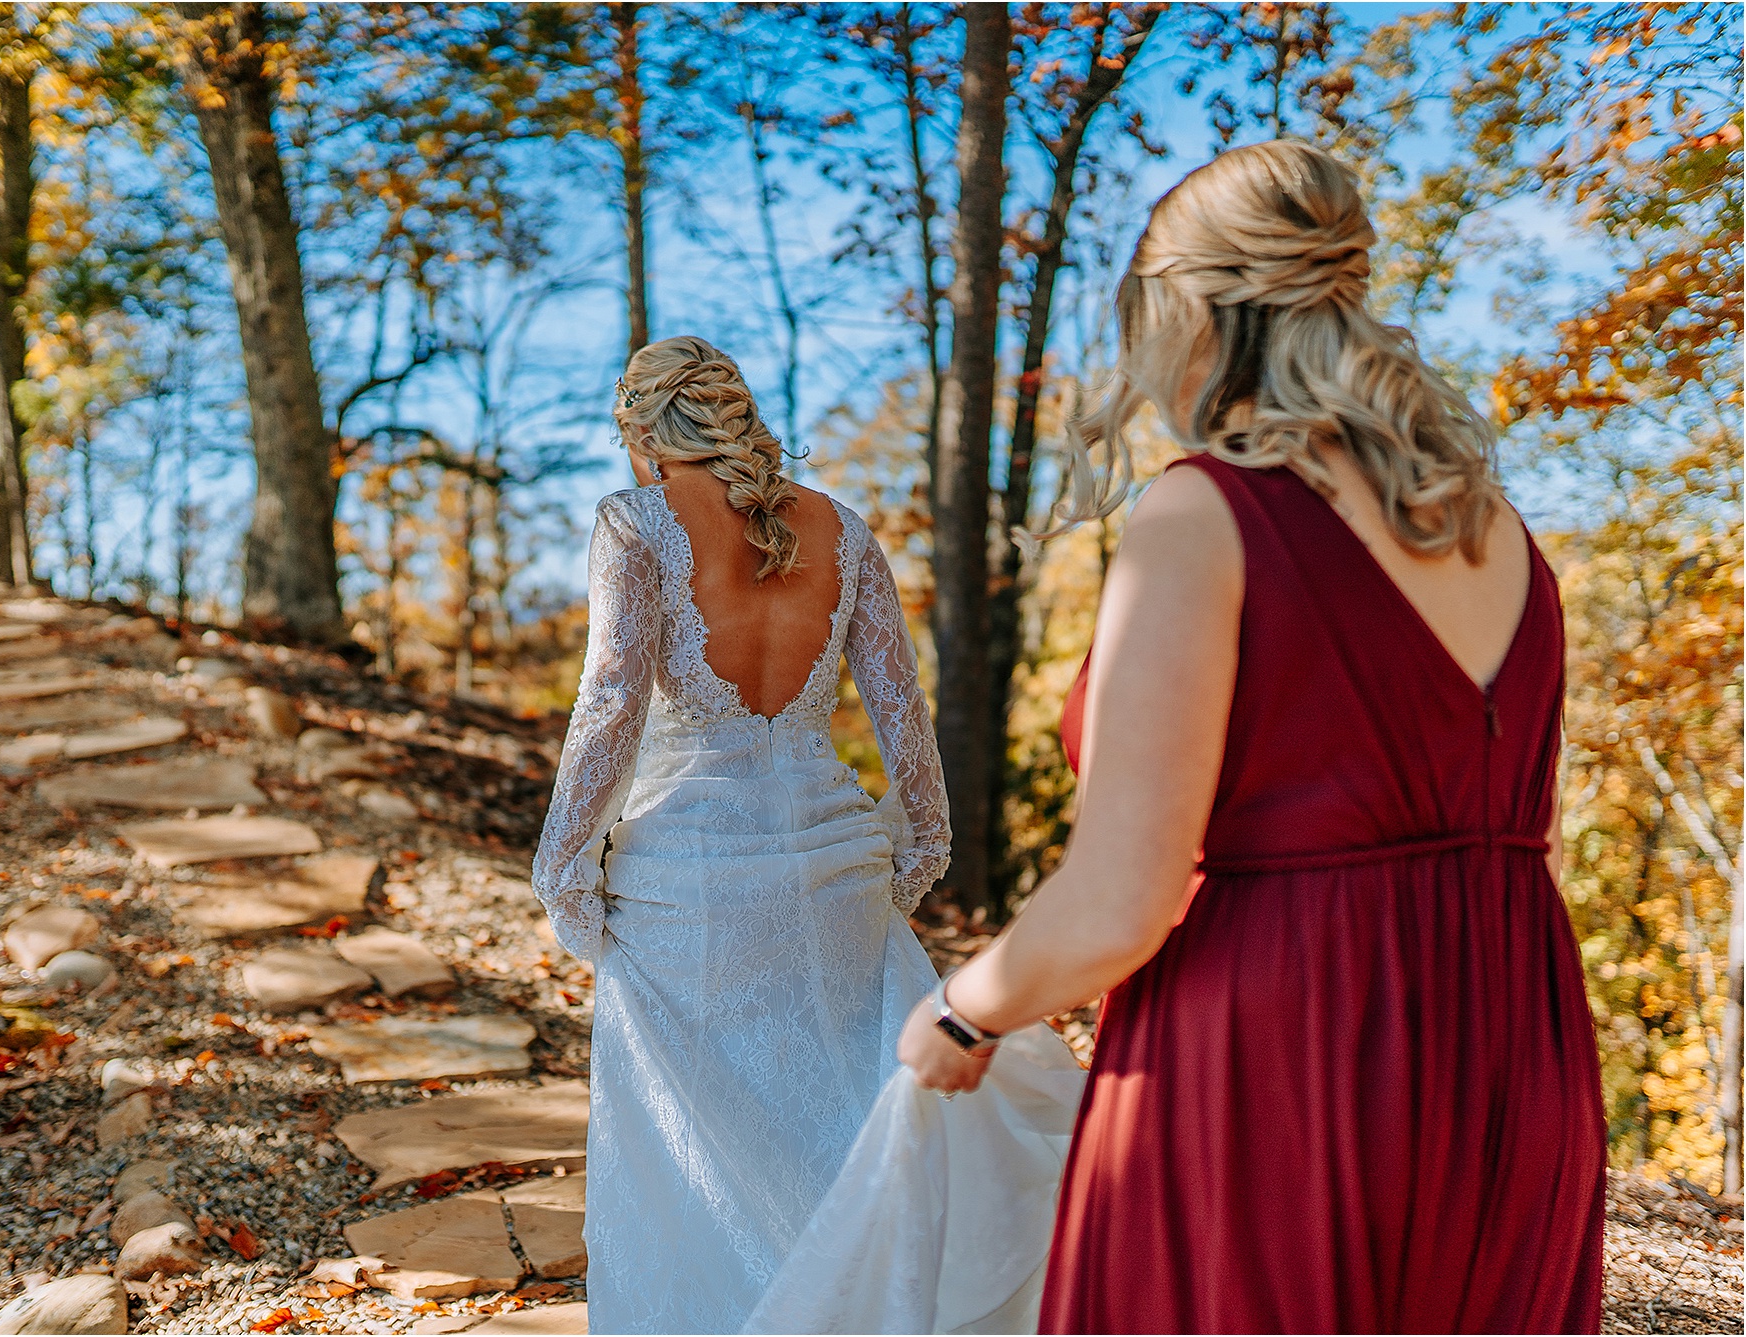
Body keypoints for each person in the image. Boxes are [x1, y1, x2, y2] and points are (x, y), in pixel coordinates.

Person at [895, 140, 1605, 1333]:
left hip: (1285, 1042)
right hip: (1514, 1040)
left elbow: (1121, 897)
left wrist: (965, 1006)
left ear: (1189, 311)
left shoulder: (1204, 510)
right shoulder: (1498, 534)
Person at [532, 336, 1080, 1335]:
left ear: (645, 431)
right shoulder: (841, 524)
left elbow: (610, 693)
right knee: (837, 1112)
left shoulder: (634, 523)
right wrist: (920, 835)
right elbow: (897, 698)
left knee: (689, 1147)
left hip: (686, 878)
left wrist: (564, 861)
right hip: (833, 863)